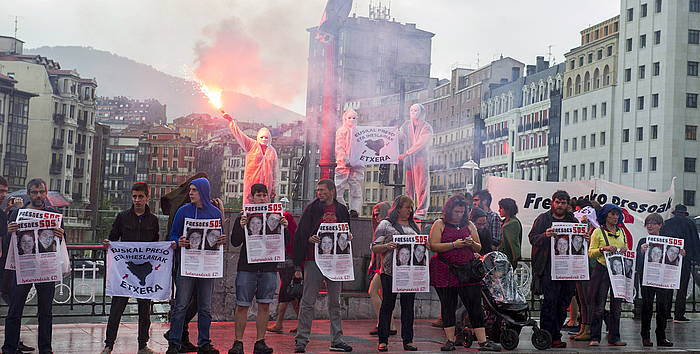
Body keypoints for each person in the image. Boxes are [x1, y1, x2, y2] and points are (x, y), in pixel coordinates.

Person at [430, 195, 501, 352]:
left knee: (475, 306)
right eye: (456, 211)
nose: (459, 214)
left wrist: (470, 243)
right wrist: (453, 245)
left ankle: (483, 342)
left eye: (462, 211)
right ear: (449, 211)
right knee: (448, 305)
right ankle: (449, 340)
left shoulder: (469, 225)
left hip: (468, 271)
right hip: (446, 271)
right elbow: (433, 245)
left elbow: (478, 247)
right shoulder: (439, 224)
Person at [101, 181, 165, 354]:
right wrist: (108, 243)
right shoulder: (122, 217)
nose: (137, 200)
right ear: (132, 197)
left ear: (147, 198)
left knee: (144, 311)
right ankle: (109, 345)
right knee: (116, 309)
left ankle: (142, 345)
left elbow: (155, 244)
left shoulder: (153, 220)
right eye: (135, 196)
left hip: (144, 272)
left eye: (141, 197)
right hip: (125, 271)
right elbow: (113, 238)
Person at [3, 178, 65, 354]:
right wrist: (9, 232)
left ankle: (46, 348)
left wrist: (61, 235)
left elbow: (61, 242)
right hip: (23, 268)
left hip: (46, 268)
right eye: (34, 192)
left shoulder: (53, 214)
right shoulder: (17, 213)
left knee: (46, 312)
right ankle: (9, 347)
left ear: (46, 193)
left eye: (41, 192)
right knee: (15, 310)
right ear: (28, 194)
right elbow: (8, 244)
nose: (38, 195)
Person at [292, 179, 353, 353]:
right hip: (314, 260)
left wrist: (348, 237)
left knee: (335, 301)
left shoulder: (341, 209)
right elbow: (301, 233)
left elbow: (346, 230)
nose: (320, 193)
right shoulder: (312, 209)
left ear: (332, 191)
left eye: (323, 190)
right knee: (308, 301)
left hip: (335, 261)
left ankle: (337, 339)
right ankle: (301, 340)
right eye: (318, 190)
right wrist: (308, 240)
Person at [166, 177, 225, 354]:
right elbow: (172, 235)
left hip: (206, 266)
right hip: (187, 265)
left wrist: (221, 239)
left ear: (203, 192)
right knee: (181, 305)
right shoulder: (183, 211)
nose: (191, 193)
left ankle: (204, 343)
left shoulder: (215, 213)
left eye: (194, 190)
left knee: (205, 307)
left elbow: (218, 236)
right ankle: (174, 343)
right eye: (190, 190)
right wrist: (179, 241)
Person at [229, 184, 289, 354]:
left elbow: (284, 242)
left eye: (264, 195)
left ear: (268, 197)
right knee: (242, 305)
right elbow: (235, 242)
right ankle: (238, 342)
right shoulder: (243, 216)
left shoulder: (276, 216)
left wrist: (283, 227)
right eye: (258, 195)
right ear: (252, 197)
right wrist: (241, 226)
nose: (262, 198)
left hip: (268, 267)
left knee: (264, 305)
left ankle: (260, 341)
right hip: (247, 267)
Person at [528, 190, 579, 348]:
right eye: (558, 202)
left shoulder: (573, 219)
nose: (560, 205)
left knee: (563, 303)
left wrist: (584, 238)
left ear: (567, 204)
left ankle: (556, 335)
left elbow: (578, 242)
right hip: (548, 267)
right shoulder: (543, 219)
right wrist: (545, 235)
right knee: (549, 303)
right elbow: (532, 238)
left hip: (568, 269)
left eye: (563, 203)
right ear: (552, 202)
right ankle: (546, 336)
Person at [371, 195, 422, 352]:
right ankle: (383, 340)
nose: (410, 210)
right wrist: (387, 246)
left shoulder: (414, 225)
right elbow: (374, 246)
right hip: (390, 271)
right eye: (407, 207)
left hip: (410, 272)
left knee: (408, 307)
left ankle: (408, 340)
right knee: (388, 305)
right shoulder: (385, 224)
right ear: (398, 208)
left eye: (411, 208)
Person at [0, 176, 34, 353]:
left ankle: (13, 342)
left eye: (5, 191)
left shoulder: (4, 211)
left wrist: (12, 211)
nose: (3, 194)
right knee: (14, 304)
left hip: (6, 265)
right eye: (0, 191)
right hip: (4, 266)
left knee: (15, 304)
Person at [587, 204, 628, 347]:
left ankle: (614, 337)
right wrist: (603, 248)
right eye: (612, 214)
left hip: (617, 271)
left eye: (617, 214)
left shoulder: (621, 231)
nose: (615, 217)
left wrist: (624, 249)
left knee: (617, 307)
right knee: (599, 306)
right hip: (602, 269)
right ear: (605, 216)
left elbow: (626, 247)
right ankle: (594, 337)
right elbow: (590, 252)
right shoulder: (597, 232)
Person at [637, 213, 675, 347]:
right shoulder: (643, 241)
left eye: (653, 223)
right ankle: (645, 336)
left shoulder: (667, 242)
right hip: (647, 279)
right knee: (647, 307)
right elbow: (638, 263)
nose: (650, 225)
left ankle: (661, 336)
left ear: (660, 225)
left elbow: (673, 258)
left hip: (662, 279)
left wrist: (680, 253)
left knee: (662, 308)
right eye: (648, 223)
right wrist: (642, 252)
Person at [660, 204, 699, 323]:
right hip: (684, 258)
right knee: (682, 287)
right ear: (685, 213)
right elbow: (695, 242)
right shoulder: (690, 224)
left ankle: (666, 314)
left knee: (668, 286)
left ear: (674, 213)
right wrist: (696, 258)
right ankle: (679, 314)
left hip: (669, 259)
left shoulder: (666, 223)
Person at [227, 116, 279, 204]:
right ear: (258, 137)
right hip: (252, 181)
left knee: (264, 204)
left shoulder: (272, 151)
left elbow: (274, 170)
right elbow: (240, 135)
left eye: (266, 137)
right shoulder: (251, 145)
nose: (264, 139)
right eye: (262, 137)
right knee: (250, 203)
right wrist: (231, 121)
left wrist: (274, 187)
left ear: (270, 138)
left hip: (267, 184)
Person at [266, 204, 299, 334]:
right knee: (291, 296)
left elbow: (295, 250)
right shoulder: (286, 233)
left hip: (289, 267)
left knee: (285, 294)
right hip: (283, 266)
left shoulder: (290, 235)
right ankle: (301, 322)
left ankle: (279, 323)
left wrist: (297, 269)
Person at [367, 201, 397, 336]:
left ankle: (383, 323)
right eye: (374, 215)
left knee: (373, 291)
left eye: (378, 214)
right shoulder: (387, 225)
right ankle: (389, 324)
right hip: (384, 265)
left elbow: (378, 248)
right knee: (385, 296)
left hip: (384, 266)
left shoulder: (384, 226)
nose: (376, 217)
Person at [398, 103, 433, 219]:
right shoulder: (406, 125)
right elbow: (400, 136)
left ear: (421, 112)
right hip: (408, 160)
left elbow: (421, 143)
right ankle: (409, 209)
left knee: (421, 184)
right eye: (411, 110)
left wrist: (407, 152)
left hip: (420, 159)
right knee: (409, 186)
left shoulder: (426, 127)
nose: (413, 113)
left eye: (416, 110)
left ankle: (421, 210)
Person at [334, 109, 365, 217]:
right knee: (338, 188)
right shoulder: (341, 131)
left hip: (356, 165)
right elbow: (339, 146)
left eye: (354, 118)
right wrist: (344, 158)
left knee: (356, 188)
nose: (351, 120)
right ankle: (341, 209)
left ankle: (354, 210)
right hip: (343, 165)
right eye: (349, 118)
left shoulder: (360, 132)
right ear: (345, 119)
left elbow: (363, 147)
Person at [498, 198, 521, 268]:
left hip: (507, 259)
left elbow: (513, 243)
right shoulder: (506, 221)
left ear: (507, 209)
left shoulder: (512, 223)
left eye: (501, 208)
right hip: (503, 258)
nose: (499, 210)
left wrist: (515, 258)